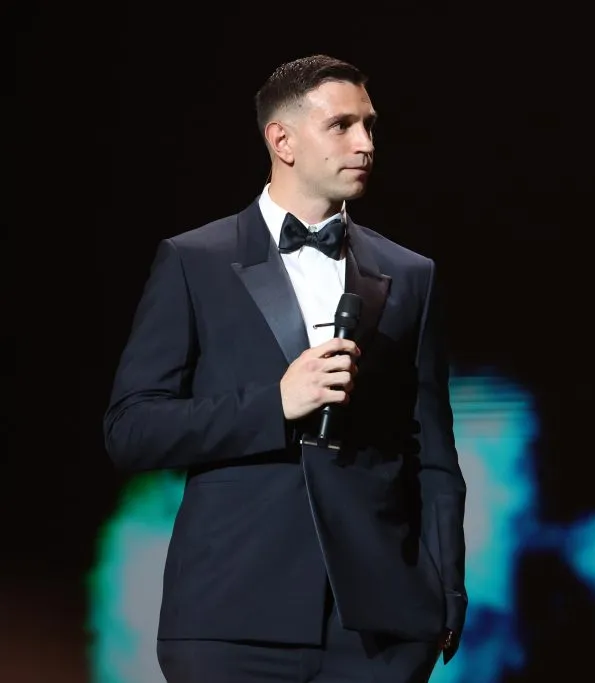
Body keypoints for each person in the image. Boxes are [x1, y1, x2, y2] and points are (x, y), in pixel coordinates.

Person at [103, 55, 467, 683]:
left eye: (370, 126)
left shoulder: (411, 274)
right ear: (282, 140)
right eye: (342, 126)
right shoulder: (194, 261)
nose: (365, 144)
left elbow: (432, 452)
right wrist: (273, 404)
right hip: (232, 618)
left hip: (379, 629)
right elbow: (131, 430)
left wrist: (446, 594)